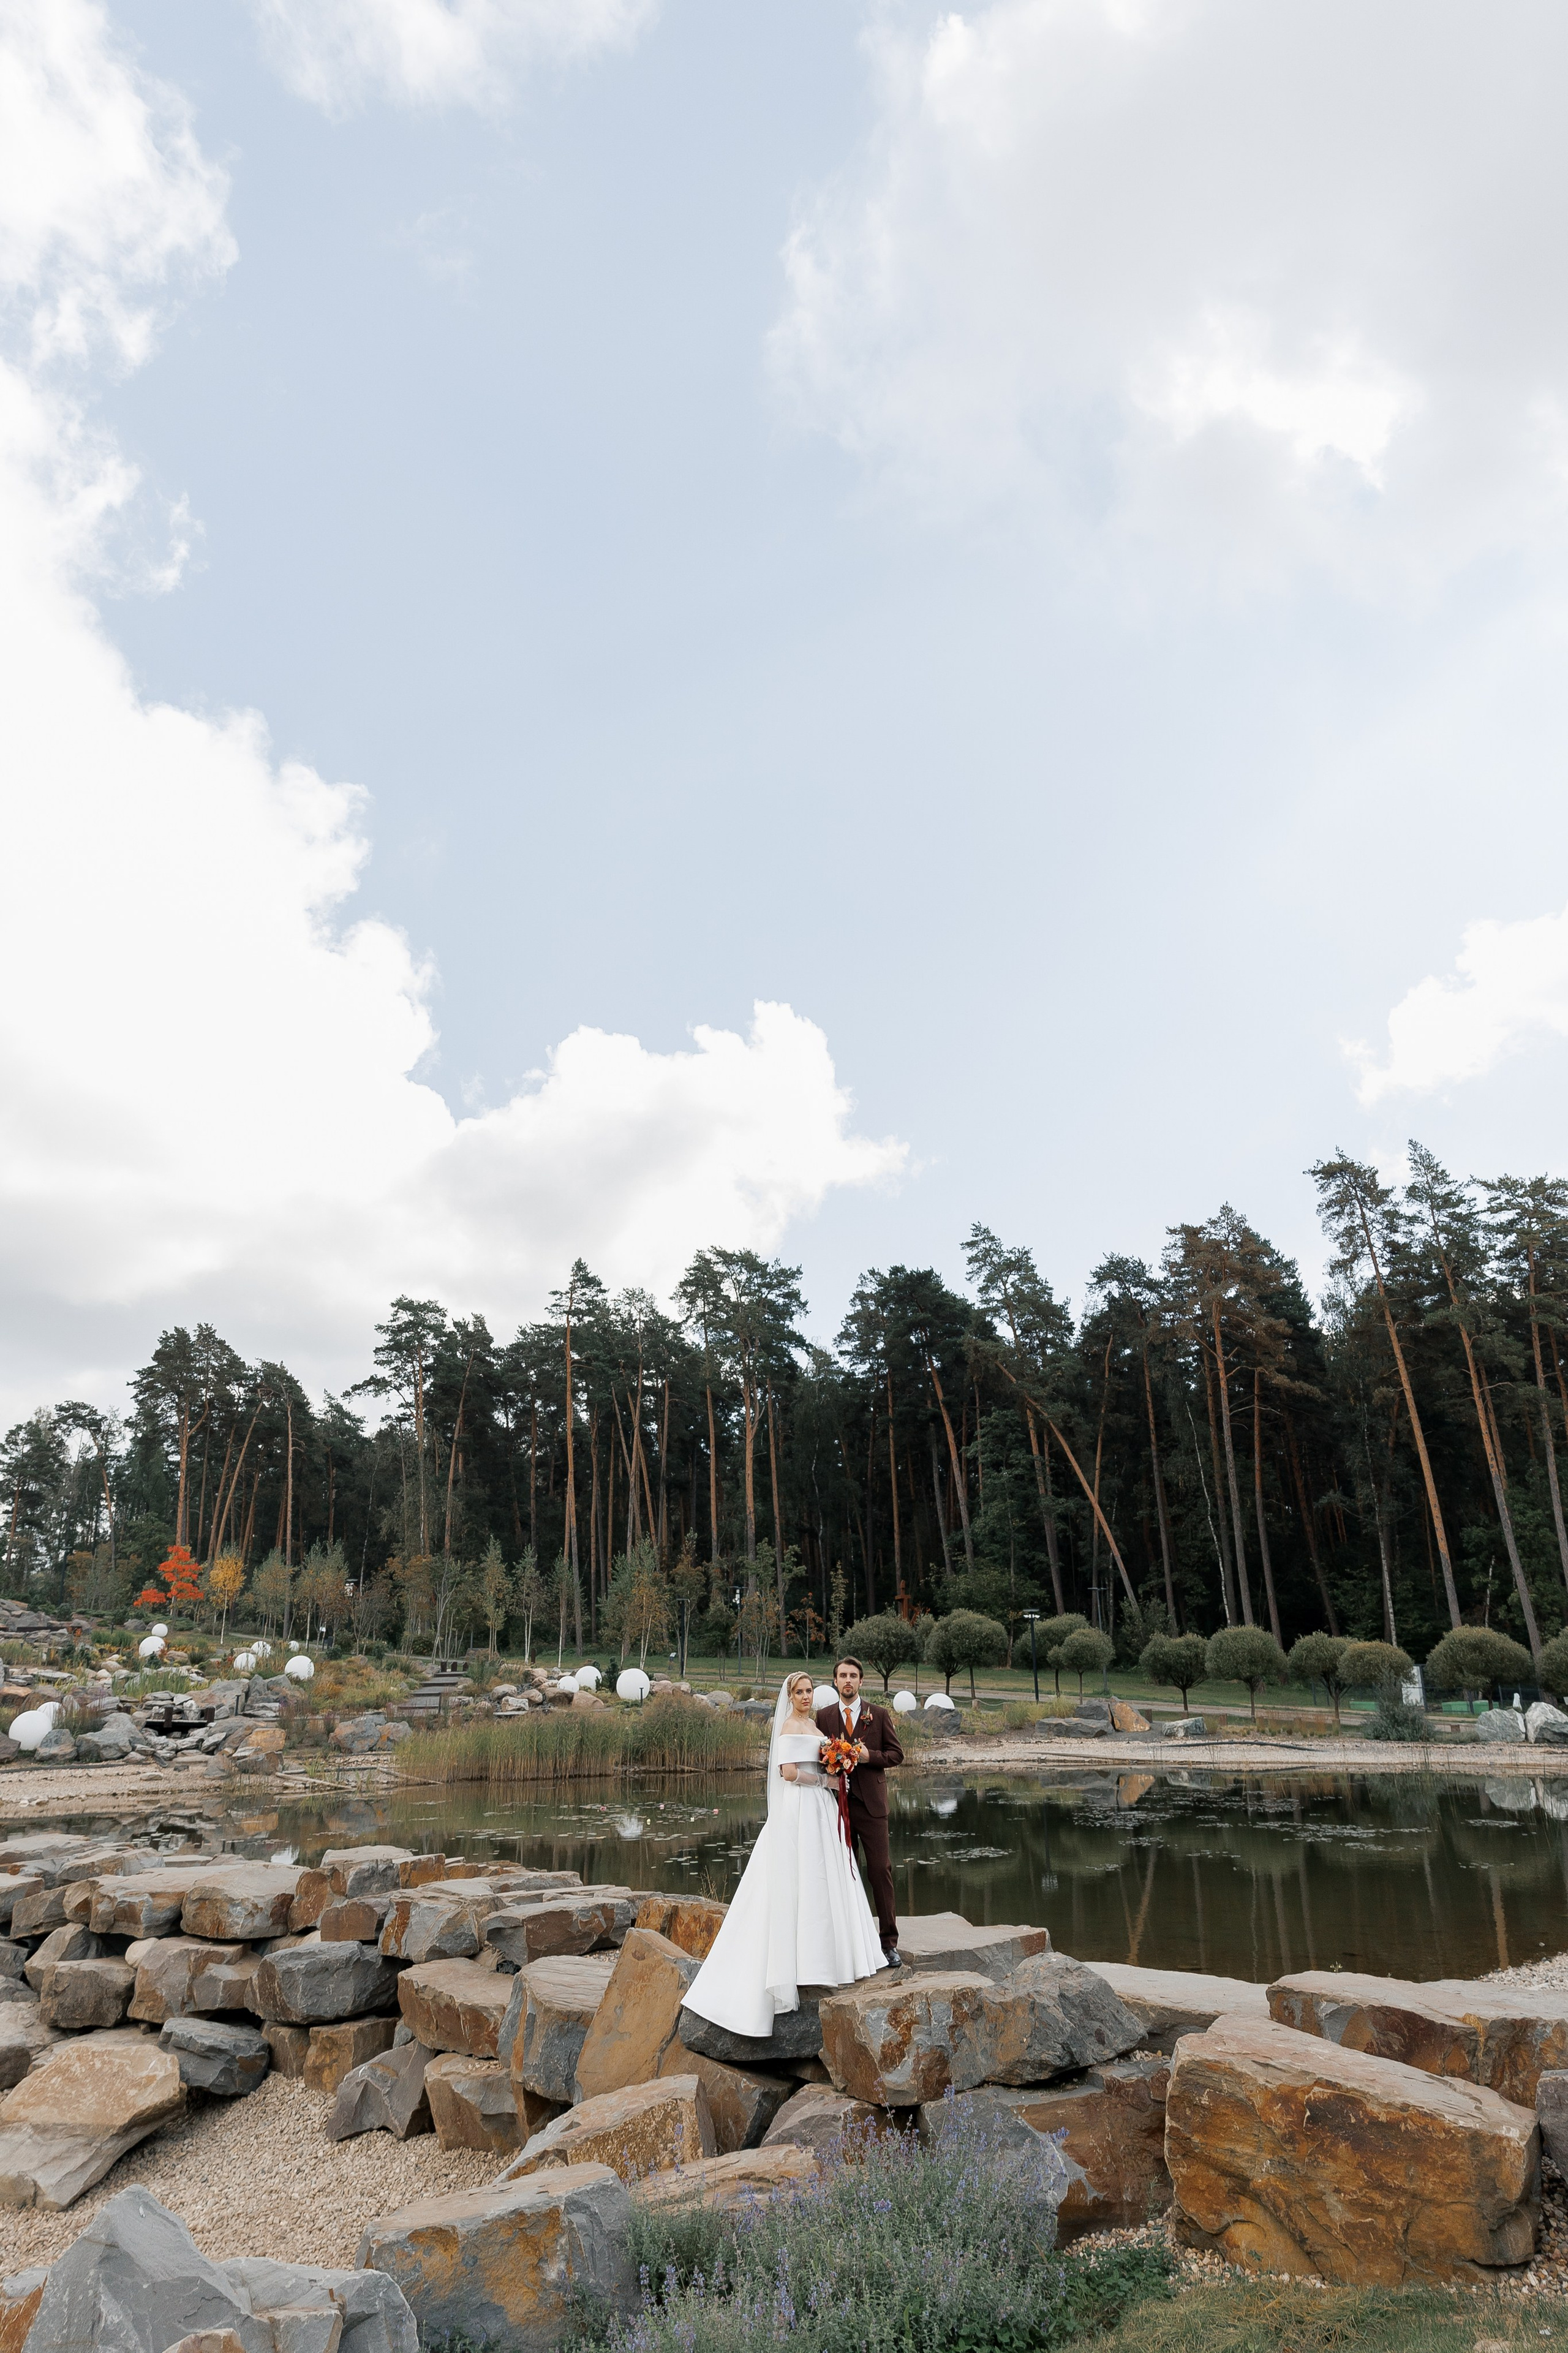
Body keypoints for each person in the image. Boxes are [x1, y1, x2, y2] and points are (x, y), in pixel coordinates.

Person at [682, 1669, 888, 2040]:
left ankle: (829, 1959)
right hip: (800, 1808)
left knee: (825, 1878)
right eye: (800, 1692)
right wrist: (826, 1780)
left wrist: (836, 1764)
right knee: (800, 1876)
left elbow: (821, 1759)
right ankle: (796, 1963)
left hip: (821, 1810)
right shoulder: (789, 1727)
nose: (807, 1697)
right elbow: (789, 1772)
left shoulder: (814, 1726)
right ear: (789, 1696)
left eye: (810, 1691)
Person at [817, 1654, 903, 1965]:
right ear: (835, 1680)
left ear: (861, 1681)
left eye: (854, 1676)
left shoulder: (877, 1715)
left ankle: (888, 1943)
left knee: (880, 1870)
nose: (848, 1681)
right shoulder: (823, 1717)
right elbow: (817, 1758)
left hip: (873, 1806)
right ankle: (854, 1941)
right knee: (844, 1874)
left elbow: (896, 1754)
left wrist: (870, 1757)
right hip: (837, 1807)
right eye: (843, 1676)